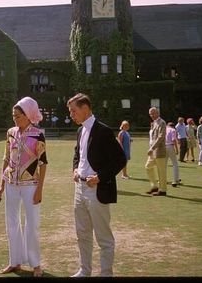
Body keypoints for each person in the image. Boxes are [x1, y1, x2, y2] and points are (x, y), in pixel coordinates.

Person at [67, 93, 126, 277]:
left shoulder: (104, 131)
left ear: (85, 109)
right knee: (82, 234)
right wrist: (75, 169)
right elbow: (78, 155)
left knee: (103, 238)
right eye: (70, 112)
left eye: (73, 111)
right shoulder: (80, 131)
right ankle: (84, 270)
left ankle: (106, 274)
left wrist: (99, 177)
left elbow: (120, 159)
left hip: (97, 189)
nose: (71, 115)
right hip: (80, 188)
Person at [0, 97, 47, 277]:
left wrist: (39, 190)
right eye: (13, 116)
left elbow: (43, 164)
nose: (15, 119)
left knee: (32, 224)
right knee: (11, 223)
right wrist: (1, 185)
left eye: (18, 116)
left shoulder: (38, 134)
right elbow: (6, 159)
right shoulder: (10, 132)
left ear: (28, 115)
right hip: (11, 184)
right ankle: (14, 262)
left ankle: (36, 264)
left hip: (31, 186)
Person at [145, 107, 167, 196]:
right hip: (153, 151)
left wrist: (152, 148)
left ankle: (163, 190)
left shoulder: (162, 122)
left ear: (158, 113)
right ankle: (155, 186)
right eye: (150, 114)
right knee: (147, 167)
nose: (152, 115)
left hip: (159, 151)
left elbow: (161, 137)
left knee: (161, 171)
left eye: (153, 113)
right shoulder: (154, 123)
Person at [165, 122, 180, 187]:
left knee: (164, 164)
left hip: (164, 147)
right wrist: (176, 149)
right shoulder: (173, 130)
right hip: (170, 146)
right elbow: (174, 140)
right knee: (175, 163)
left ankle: (163, 180)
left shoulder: (164, 129)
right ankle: (175, 180)